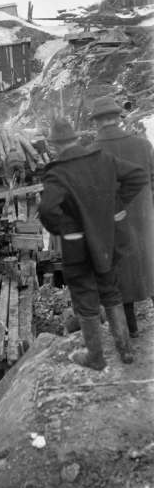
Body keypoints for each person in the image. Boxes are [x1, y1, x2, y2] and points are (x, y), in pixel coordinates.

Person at [39, 119, 147, 370]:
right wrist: (113, 207)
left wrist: (65, 228)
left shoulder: (58, 173)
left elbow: (47, 209)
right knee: (110, 290)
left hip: (78, 247)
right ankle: (125, 350)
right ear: (76, 138)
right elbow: (138, 176)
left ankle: (95, 358)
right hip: (108, 241)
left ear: (54, 145)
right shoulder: (103, 160)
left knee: (85, 297)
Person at [89, 96, 154, 337]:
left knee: (120, 275)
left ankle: (132, 330)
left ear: (96, 122)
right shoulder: (143, 145)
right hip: (146, 219)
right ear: (119, 118)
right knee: (151, 265)